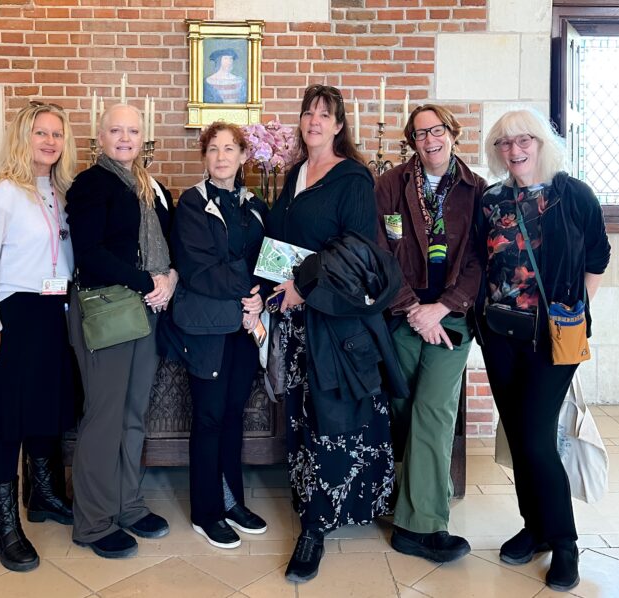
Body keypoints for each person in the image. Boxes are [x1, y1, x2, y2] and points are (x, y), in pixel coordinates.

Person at [266, 84, 407, 583]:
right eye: (308, 113)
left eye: (324, 115)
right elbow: (283, 243)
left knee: (336, 413)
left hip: (335, 317)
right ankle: (312, 504)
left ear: (340, 125)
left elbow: (356, 249)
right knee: (305, 415)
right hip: (299, 320)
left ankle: (316, 527)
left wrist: (303, 288)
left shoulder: (351, 177)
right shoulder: (295, 174)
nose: (314, 121)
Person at [475, 109, 610, 592]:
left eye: (523, 140)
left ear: (541, 143)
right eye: (505, 144)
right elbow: (478, 262)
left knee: (536, 438)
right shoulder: (490, 200)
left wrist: (572, 312)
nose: (514, 151)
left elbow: (599, 255)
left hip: (552, 339)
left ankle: (565, 542)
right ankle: (534, 529)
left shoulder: (571, 195)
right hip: (500, 336)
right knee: (518, 435)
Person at [0, 101, 78, 572]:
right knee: (9, 422)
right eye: (41, 134)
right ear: (23, 138)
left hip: (55, 314)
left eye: (56, 134)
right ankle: (4, 528)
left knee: (45, 412)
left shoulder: (62, 194)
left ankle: (45, 497)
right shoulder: (2, 194)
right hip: (13, 317)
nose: (50, 142)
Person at [65, 103, 178, 559]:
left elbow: (168, 248)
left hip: (147, 310)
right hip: (108, 309)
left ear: (143, 137)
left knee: (134, 414)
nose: (125, 137)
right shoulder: (92, 184)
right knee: (104, 417)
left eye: (133, 130)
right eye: (116, 130)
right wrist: (148, 281)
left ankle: (127, 505)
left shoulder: (151, 186)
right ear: (100, 136)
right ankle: (92, 522)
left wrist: (168, 279)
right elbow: (89, 253)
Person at [374, 104, 486, 563]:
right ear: (411, 142)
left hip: (452, 317)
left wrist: (442, 308)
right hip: (403, 313)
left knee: (434, 409)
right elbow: (379, 251)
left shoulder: (478, 190)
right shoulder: (390, 186)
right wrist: (411, 309)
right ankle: (412, 493)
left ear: (453, 134)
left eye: (437, 131)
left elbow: (483, 259)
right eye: (420, 135)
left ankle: (420, 527)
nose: (430, 140)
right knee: (402, 404)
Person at [163, 122, 269, 549]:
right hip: (206, 325)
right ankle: (207, 512)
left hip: (244, 327)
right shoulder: (191, 203)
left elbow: (267, 260)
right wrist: (249, 290)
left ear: (244, 156)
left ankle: (232, 502)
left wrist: (261, 297)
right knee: (208, 418)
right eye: (213, 149)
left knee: (232, 416)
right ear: (204, 157)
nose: (221, 156)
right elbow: (197, 268)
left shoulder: (255, 204)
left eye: (230, 149)